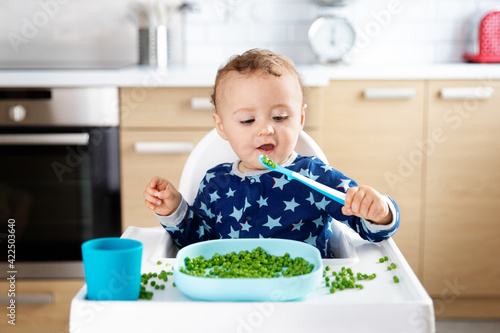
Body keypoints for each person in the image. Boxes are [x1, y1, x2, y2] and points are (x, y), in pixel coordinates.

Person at [143, 49, 399, 257]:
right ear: (221, 126)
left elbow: (369, 231)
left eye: (279, 117)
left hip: (305, 295)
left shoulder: (315, 175)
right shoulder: (215, 183)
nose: (266, 129)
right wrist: (174, 209)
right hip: (231, 293)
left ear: (299, 118)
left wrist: (379, 212)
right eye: (247, 121)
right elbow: (197, 242)